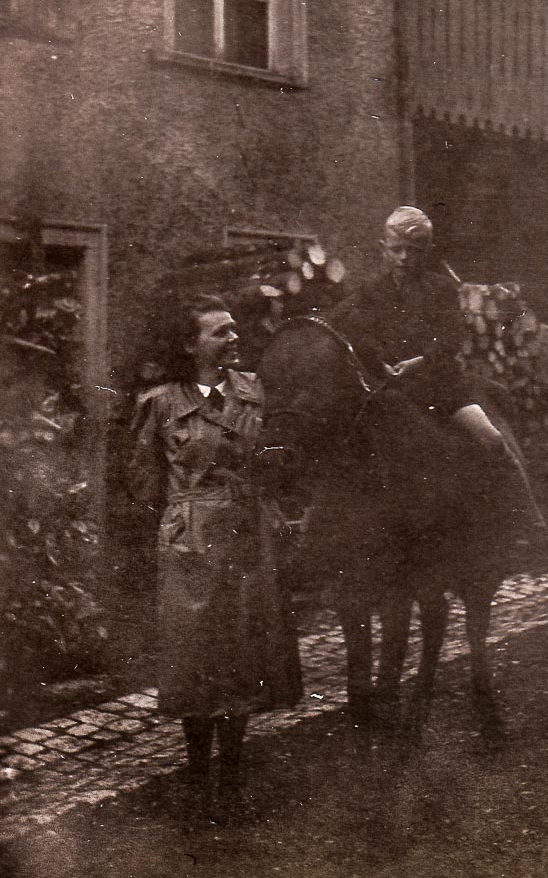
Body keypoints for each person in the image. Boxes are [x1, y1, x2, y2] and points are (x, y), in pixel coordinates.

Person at [127, 295, 301, 813]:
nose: (234, 340)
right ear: (190, 344)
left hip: (249, 536)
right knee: (195, 659)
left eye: (234, 331)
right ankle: (197, 776)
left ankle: (231, 781)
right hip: (190, 544)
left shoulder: (255, 392)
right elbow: (140, 483)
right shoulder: (159, 404)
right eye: (220, 333)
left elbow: (276, 461)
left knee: (244, 656)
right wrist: (183, 515)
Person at [330, 205, 547, 540]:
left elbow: (450, 339)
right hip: (389, 388)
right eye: (396, 249)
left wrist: (417, 362)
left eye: (413, 251)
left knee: (492, 439)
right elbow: (354, 329)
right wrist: (377, 362)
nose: (403, 258)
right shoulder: (370, 290)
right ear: (383, 248)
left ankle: (529, 524)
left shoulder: (442, 289)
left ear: (426, 252)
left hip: (440, 386)